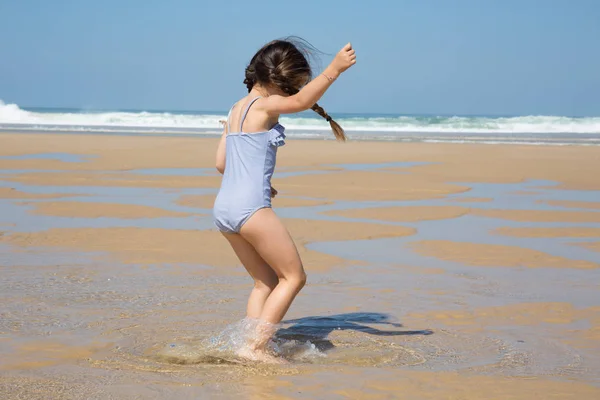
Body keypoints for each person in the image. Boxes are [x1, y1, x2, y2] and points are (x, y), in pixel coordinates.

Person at [212, 38, 356, 362]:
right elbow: (304, 101)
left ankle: (246, 343)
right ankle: (254, 348)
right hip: (250, 208)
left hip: (224, 209)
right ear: (280, 81)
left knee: (263, 282)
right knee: (294, 277)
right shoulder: (263, 106)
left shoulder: (235, 109)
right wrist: (335, 69)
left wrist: (255, 174)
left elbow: (221, 163)